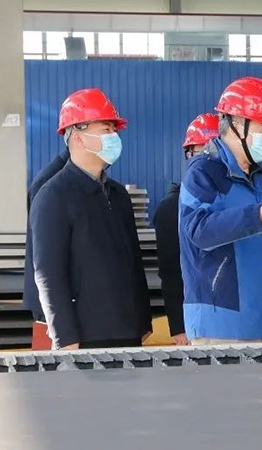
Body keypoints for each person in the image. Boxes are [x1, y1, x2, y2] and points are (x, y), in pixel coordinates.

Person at [179, 77, 262, 345]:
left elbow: (250, 240)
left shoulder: (253, 175)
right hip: (220, 327)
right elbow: (199, 231)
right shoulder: (204, 172)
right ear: (237, 125)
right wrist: (259, 214)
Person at [30, 88, 153, 350]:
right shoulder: (53, 196)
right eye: (106, 129)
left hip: (128, 331)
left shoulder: (119, 196)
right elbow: (49, 273)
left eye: (114, 130)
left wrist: (143, 320)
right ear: (78, 136)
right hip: (85, 338)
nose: (114, 137)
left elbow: (133, 262)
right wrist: (65, 337)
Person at [154, 114, 219, 346]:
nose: (208, 161)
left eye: (215, 153)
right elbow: (170, 271)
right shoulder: (173, 208)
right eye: (201, 152)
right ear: (188, 155)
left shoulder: (236, 200)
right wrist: (179, 326)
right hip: (196, 322)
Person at [23, 147, 70, 350]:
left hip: (57, 299)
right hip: (50, 303)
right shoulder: (52, 182)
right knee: (52, 363)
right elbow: (46, 254)